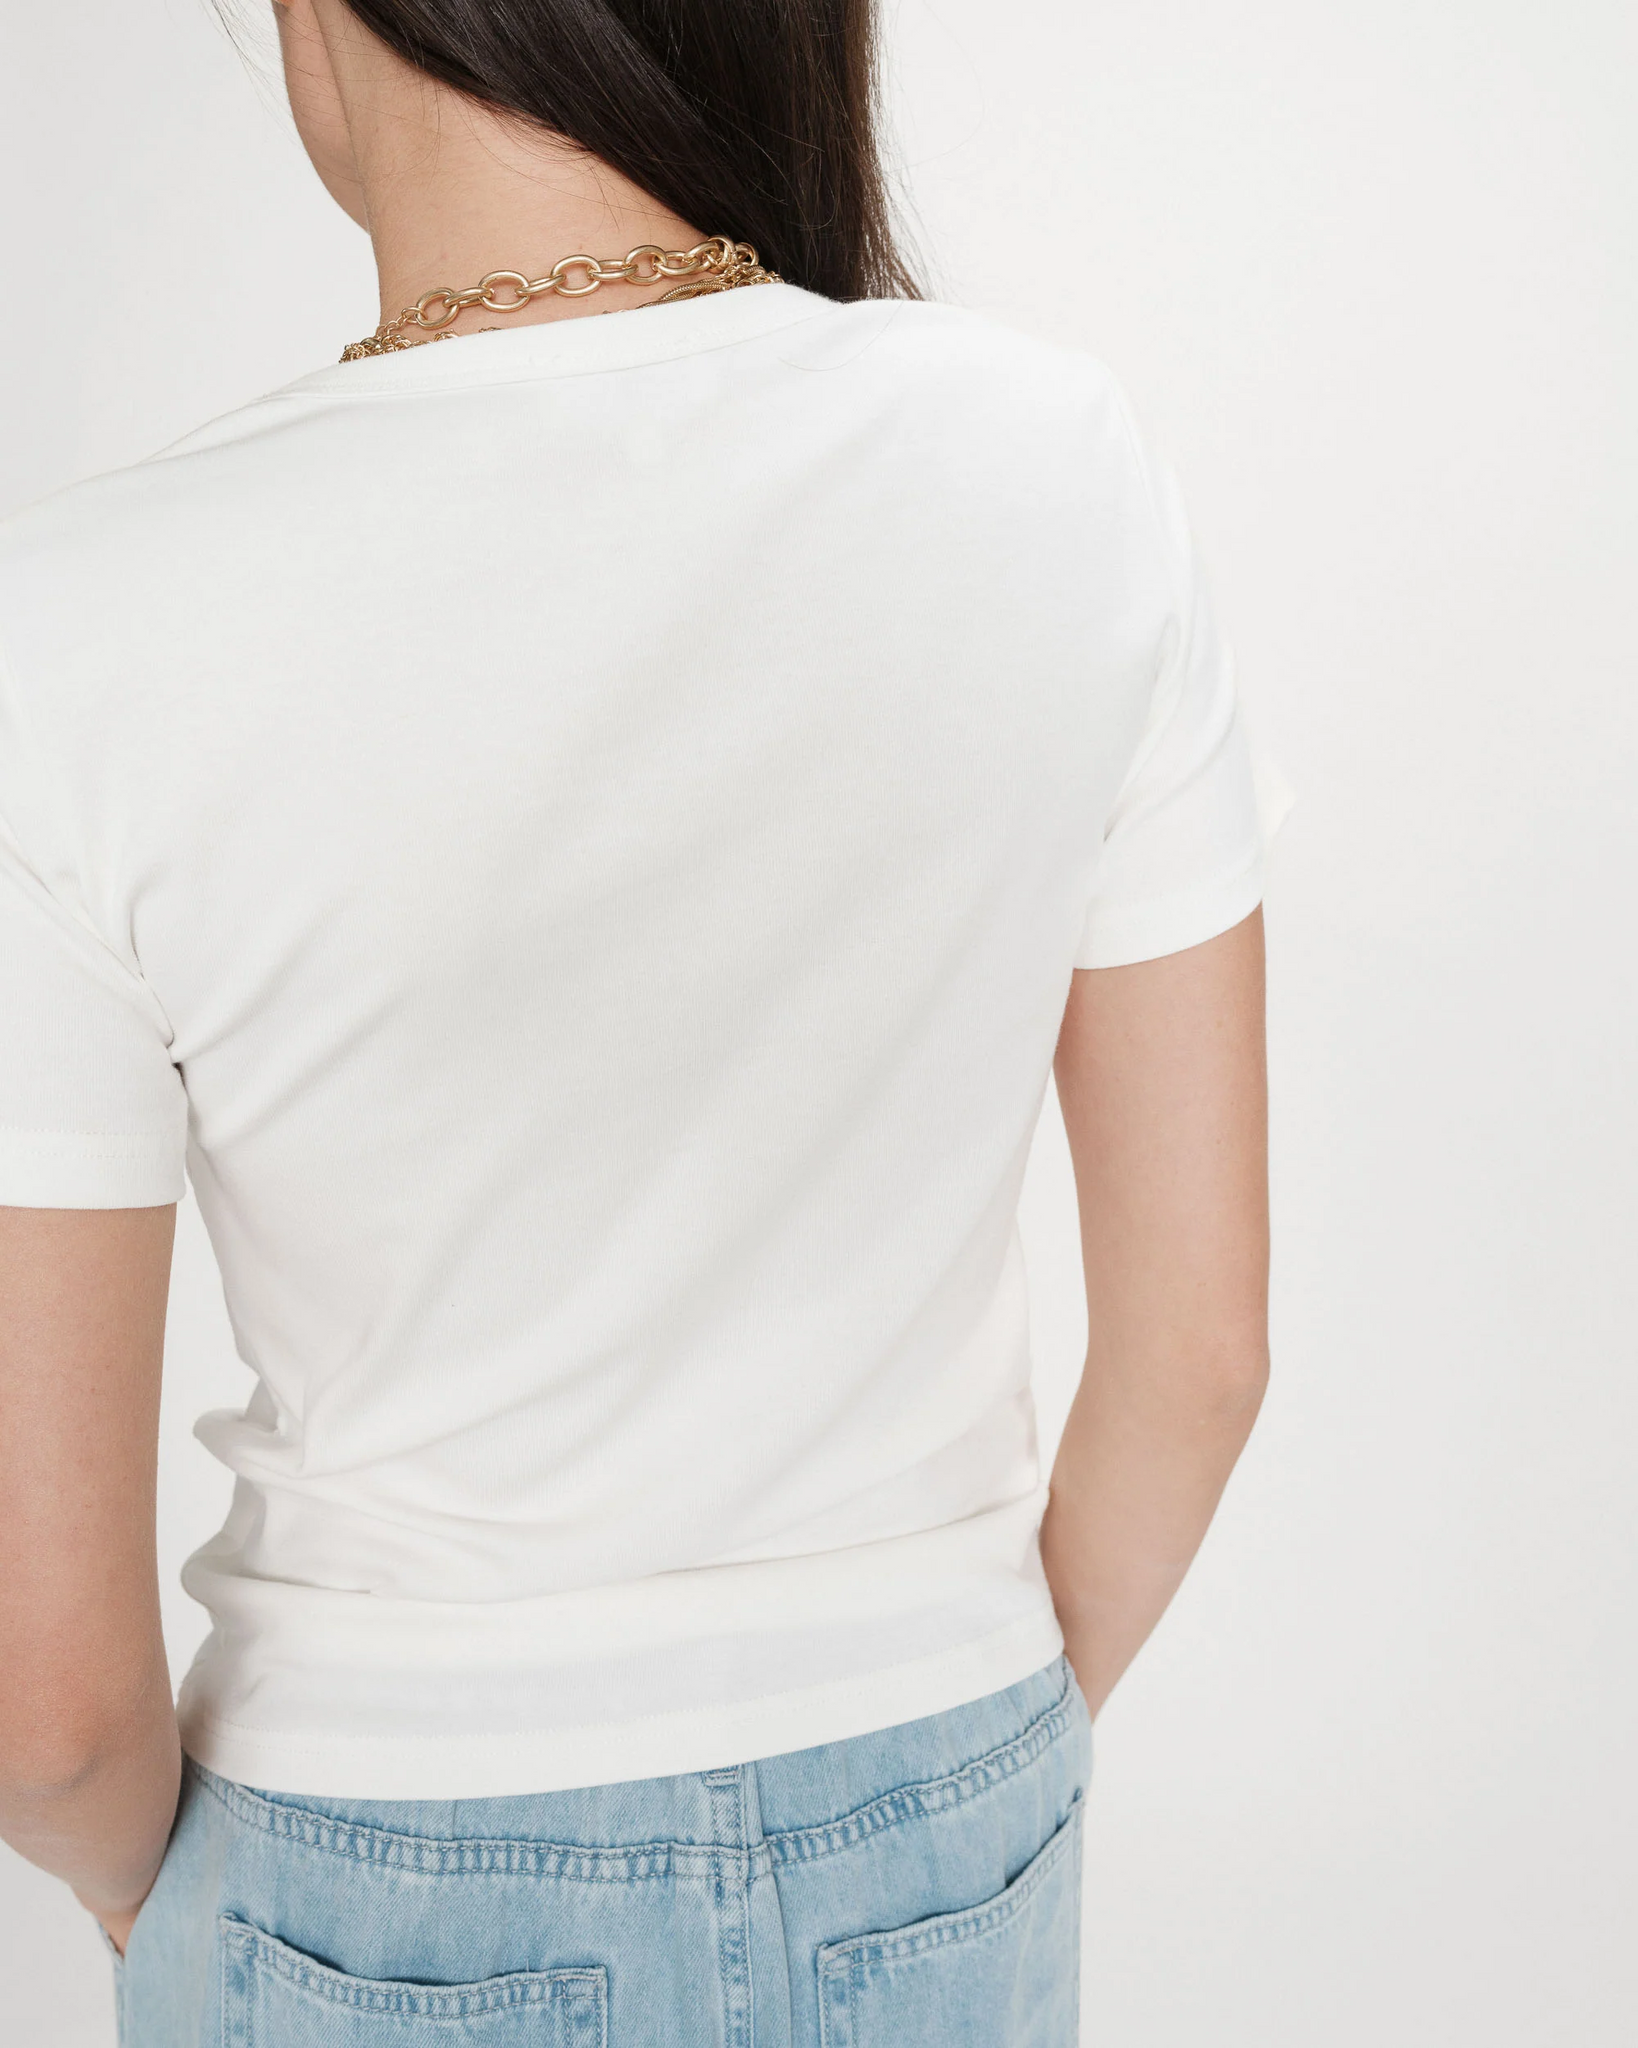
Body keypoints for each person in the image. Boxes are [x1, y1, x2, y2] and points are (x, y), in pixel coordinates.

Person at [0, 1, 1281, 2040]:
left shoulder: (70, 627)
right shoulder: (1063, 462)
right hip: (948, 1787)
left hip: (371, 1855)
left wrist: (162, 1908)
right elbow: (1201, 1353)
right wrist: (969, 1756)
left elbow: (47, 1704)